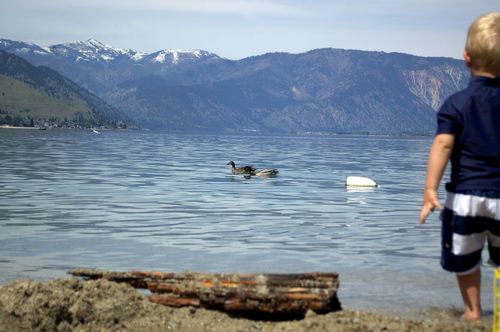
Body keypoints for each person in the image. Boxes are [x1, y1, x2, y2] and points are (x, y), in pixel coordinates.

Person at [419, 12, 500, 321]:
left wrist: (429, 189)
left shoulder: (457, 103)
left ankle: (472, 311)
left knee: (465, 261)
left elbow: (443, 144)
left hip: (466, 197)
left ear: (466, 58)